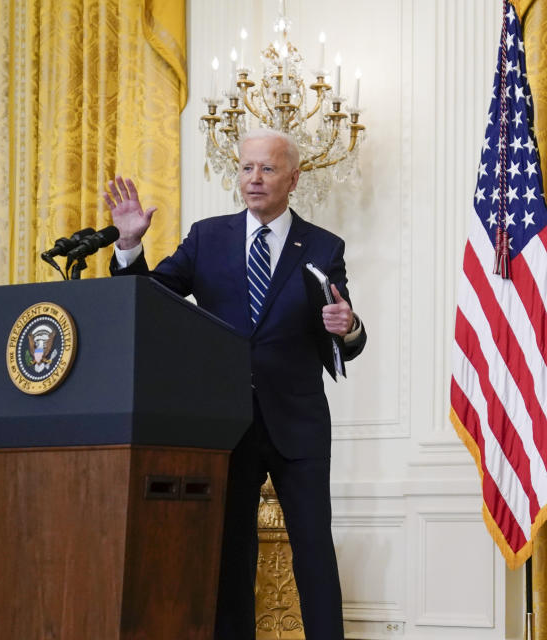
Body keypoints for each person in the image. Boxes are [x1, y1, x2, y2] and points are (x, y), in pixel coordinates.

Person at [104, 128, 365, 640]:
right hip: (224, 423)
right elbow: (150, 304)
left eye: (267, 169)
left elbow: (342, 327)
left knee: (314, 551)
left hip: (298, 423)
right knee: (229, 555)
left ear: (293, 178)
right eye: (246, 167)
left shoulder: (322, 245)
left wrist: (348, 326)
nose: (254, 178)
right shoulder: (207, 237)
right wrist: (130, 245)